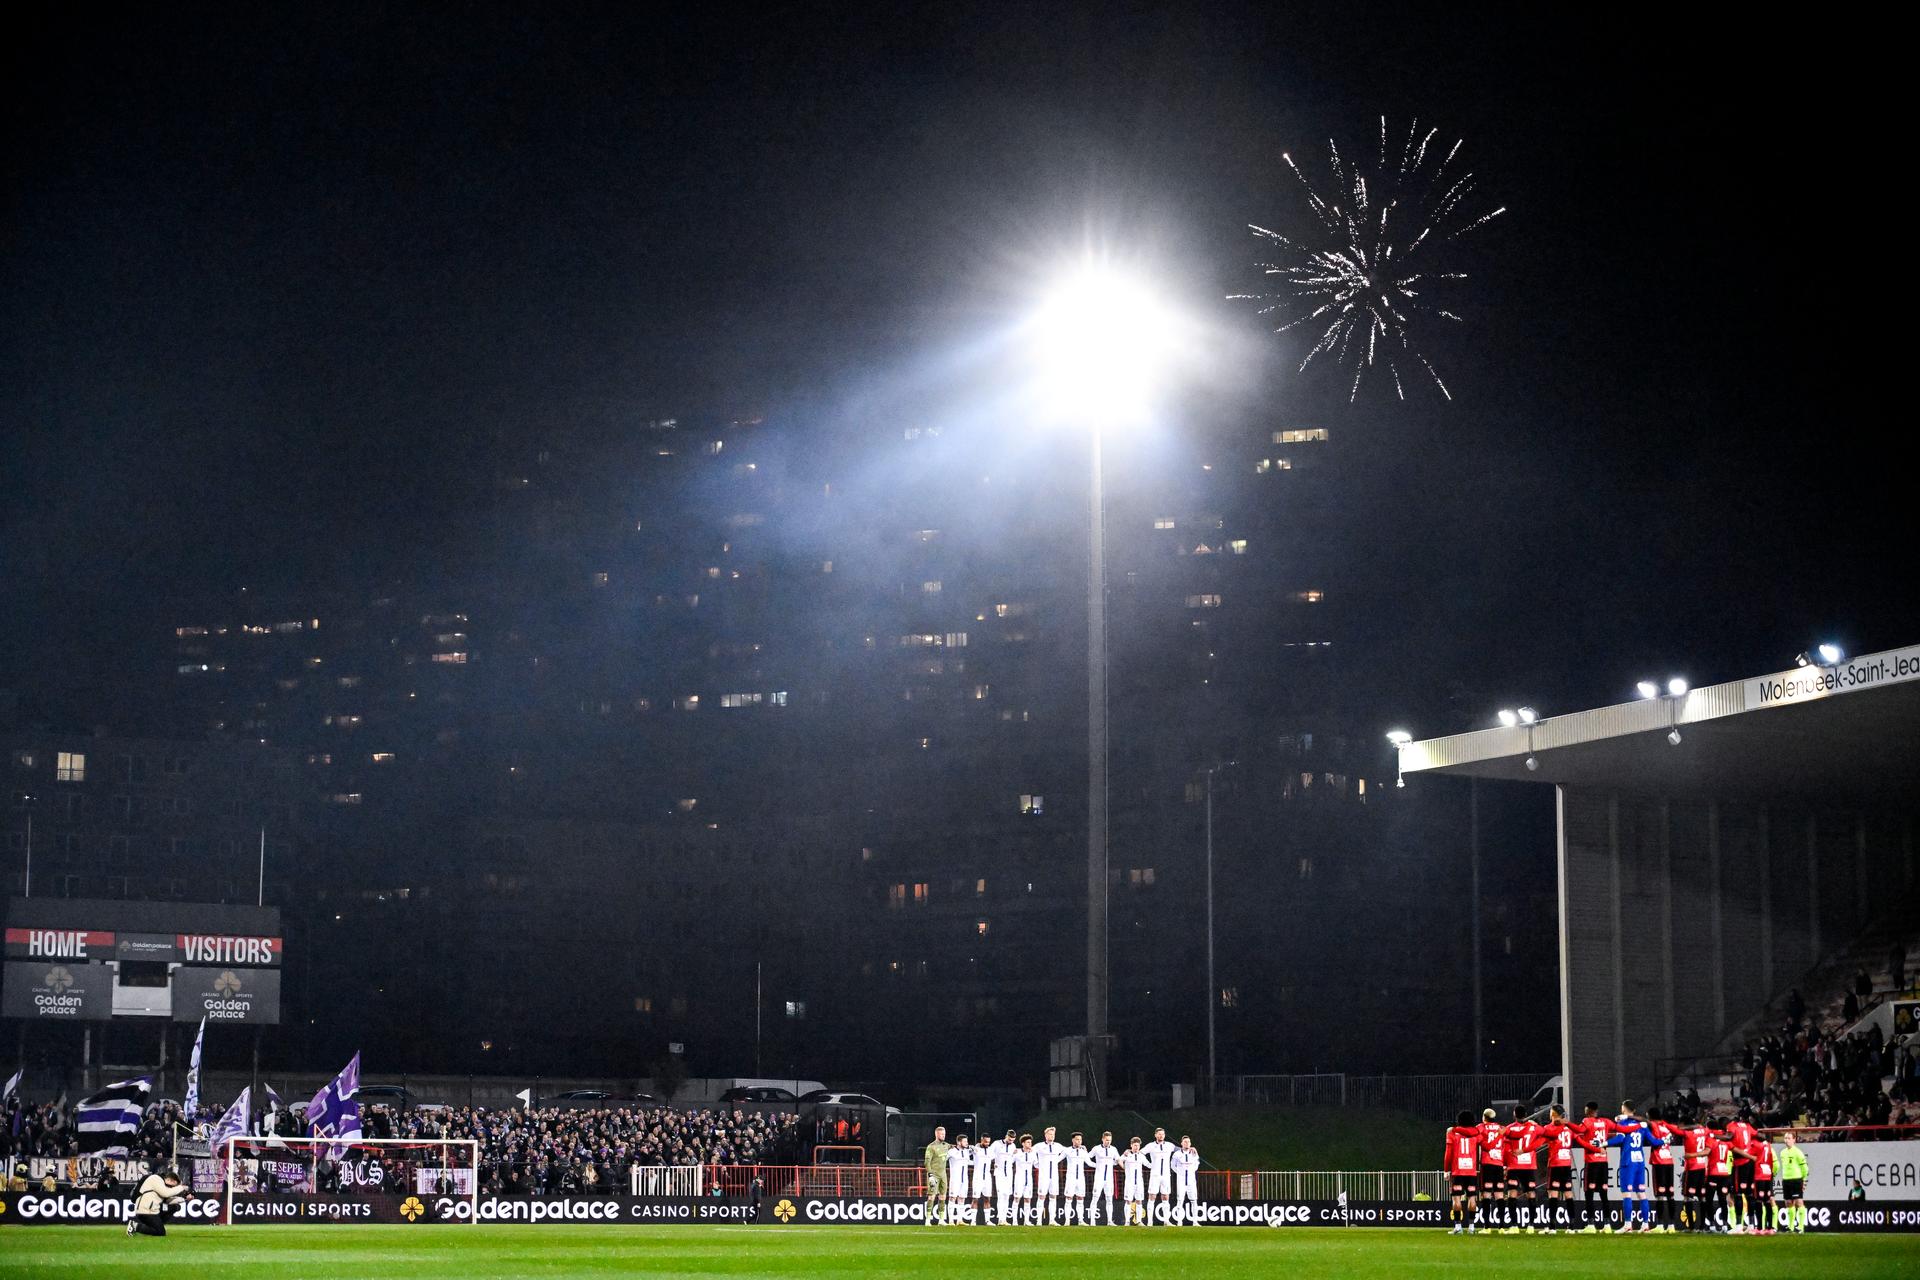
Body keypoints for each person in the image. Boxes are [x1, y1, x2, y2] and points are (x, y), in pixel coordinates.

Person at [1606, 1102, 1663, 1233]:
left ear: (1623, 1110)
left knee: (1627, 1193)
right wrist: (1664, 1141)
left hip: (1628, 1161)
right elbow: (1654, 1142)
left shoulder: (1623, 1124)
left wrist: (1605, 1143)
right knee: (1642, 1193)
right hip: (1639, 1161)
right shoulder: (1642, 1126)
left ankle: (1628, 1225)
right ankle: (1645, 1224)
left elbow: (1619, 1139)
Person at [1501, 1106, 1544, 1233]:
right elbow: (1544, 1134)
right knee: (1531, 1193)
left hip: (1514, 1165)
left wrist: (1504, 1165)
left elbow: (1505, 1148)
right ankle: (1531, 1225)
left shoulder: (1509, 1128)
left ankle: (1514, 1226)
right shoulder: (1533, 1127)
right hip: (1529, 1165)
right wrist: (1535, 1124)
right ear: (1525, 1114)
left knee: (1512, 1193)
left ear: (1514, 1115)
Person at [1442, 1110, 1481, 1235]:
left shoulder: (1452, 1133)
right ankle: (1471, 1227)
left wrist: (1446, 1170)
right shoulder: (1475, 1135)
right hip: (1471, 1171)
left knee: (1456, 1198)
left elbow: (1448, 1154)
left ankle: (1458, 1227)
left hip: (1458, 1171)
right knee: (1472, 1197)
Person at [125, 1165, 190, 1238]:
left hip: (151, 1210)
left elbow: (168, 1200)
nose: (172, 1188)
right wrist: (182, 1187)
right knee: (160, 1232)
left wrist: (185, 1199)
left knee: (174, 1208)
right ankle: (134, 1226)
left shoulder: (161, 1184)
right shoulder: (156, 1178)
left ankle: (144, 1227)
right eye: (173, 1186)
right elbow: (166, 1193)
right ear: (170, 1180)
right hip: (145, 1210)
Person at [1646, 1107, 1678, 1232]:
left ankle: (1659, 1225)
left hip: (1658, 1161)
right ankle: (1671, 1226)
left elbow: (1654, 1142)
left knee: (1660, 1194)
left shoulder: (1653, 1125)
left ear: (1650, 1116)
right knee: (1670, 1194)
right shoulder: (1666, 1126)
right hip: (1669, 1161)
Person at [1475, 1107, 1508, 1229]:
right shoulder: (1501, 1128)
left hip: (1487, 1163)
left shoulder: (1480, 1127)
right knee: (1499, 1195)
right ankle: (1501, 1226)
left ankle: (1487, 1226)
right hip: (1499, 1164)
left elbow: (1483, 1144)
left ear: (1484, 1117)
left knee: (1486, 1195)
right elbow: (1504, 1147)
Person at [1141, 1127, 1176, 1226]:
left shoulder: (1169, 1145)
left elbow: (1179, 1149)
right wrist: (1148, 1164)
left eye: (1163, 1134)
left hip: (1165, 1175)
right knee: (1152, 1196)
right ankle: (1150, 1222)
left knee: (1165, 1196)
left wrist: (1191, 1148)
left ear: (1164, 1135)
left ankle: (1166, 1221)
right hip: (1155, 1175)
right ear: (1155, 1135)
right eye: (1159, 1134)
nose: (1161, 1136)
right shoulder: (1151, 1146)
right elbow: (1140, 1153)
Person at [1777, 1132, 1809, 1234]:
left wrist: (1804, 1180)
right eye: (1785, 1138)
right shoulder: (1782, 1153)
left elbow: (1805, 1168)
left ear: (1794, 1140)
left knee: (1799, 1202)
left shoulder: (1798, 1152)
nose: (1787, 1140)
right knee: (1788, 1203)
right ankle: (1790, 1227)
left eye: (1789, 1138)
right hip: (1786, 1180)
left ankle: (1800, 1227)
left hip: (1796, 1180)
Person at [1032, 1126, 1066, 1224]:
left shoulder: (1058, 1146)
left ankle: (1052, 1220)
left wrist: (1057, 1160)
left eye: (1053, 1134)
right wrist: (1036, 1163)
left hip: (1054, 1176)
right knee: (1041, 1196)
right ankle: (1038, 1220)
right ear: (1045, 1135)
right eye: (1050, 1134)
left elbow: (1067, 1151)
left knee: (1053, 1196)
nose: (1052, 1136)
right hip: (1044, 1176)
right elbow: (1029, 1151)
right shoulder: (1039, 1146)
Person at [1087, 1131, 1119, 1226]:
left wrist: (1114, 1163)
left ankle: (1109, 1221)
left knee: (1109, 1199)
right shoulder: (1096, 1148)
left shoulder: (1113, 1149)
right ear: (1102, 1139)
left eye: (1110, 1140)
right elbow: (1087, 1157)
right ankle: (1092, 1221)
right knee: (1095, 1198)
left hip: (1109, 1179)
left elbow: (1117, 1160)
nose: (1108, 1142)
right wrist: (1095, 1165)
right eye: (1106, 1140)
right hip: (1099, 1178)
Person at [922, 1125, 951, 1225]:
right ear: (936, 1134)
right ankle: (928, 1220)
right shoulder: (931, 1147)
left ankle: (941, 1220)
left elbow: (956, 1147)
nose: (943, 1135)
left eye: (944, 1134)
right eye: (942, 1134)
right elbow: (927, 1162)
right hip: (934, 1175)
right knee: (931, 1197)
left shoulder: (946, 1145)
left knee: (943, 1196)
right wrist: (930, 1175)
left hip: (943, 1175)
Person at [1171, 1135, 1201, 1225]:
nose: (1187, 1143)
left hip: (1191, 1181)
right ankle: (1179, 1221)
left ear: (1190, 1143)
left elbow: (1197, 1164)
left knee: (1194, 1200)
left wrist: (1191, 1171)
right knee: (1180, 1200)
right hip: (1181, 1181)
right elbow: (1172, 1165)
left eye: (1188, 1141)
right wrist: (1180, 1173)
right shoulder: (1177, 1154)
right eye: (1185, 1142)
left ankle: (1195, 1221)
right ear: (1181, 1143)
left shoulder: (1194, 1153)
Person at [1061, 1132, 1090, 1224]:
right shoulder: (1067, 1150)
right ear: (1073, 1140)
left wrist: (1101, 1165)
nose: (1079, 1141)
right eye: (1077, 1139)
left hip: (1081, 1179)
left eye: (1080, 1139)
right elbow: (1058, 1159)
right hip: (1071, 1178)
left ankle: (1081, 1220)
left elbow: (1089, 1163)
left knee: (1080, 1199)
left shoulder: (1083, 1151)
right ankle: (1067, 1221)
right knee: (1069, 1199)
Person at [944, 1133, 971, 1225]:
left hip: (965, 1179)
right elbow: (943, 1160)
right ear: (959, 1142)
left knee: (962, 1198)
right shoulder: (952, 1151)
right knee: (952, 1197)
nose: (967, 1143)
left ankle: (960, 1220)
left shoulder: (967, 1151)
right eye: (965, 1141)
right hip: (955, 1179)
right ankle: (951, 1220)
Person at [1120, 1137, 1146, 1225]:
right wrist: (1123, 1167)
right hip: (1129, 1182)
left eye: (1138, 1145)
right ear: (1131, 1145)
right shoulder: (1127, 1154)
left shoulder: (1141, 1156)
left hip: (1139, 1182)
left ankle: (1139, 1221)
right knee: (1128, 1201)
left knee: (1139, 1201)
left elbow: (1149, 1164)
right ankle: (1127, 1221)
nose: (1136, 1147)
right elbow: (1119, 1160)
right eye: (1135, 1145)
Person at [1013, 1134, 1036, 1225]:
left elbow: (1036, 1164)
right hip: (1019, 1179)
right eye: (1028, 1142)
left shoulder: (1033, 1154)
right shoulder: (1017, 1152)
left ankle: (1026, 1220)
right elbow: (1010, 1161)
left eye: (1030, 1142)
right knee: (1016, 1199)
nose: (1030, 1144)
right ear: (1023, 1143)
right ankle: (1014, 1221)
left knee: (1027, 1199)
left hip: (1029, 1180)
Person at [970, 1133, 994, 1225]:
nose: (987, 1143)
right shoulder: (976, 1149)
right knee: (975, 1199)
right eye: (985, 1141)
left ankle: (987, 1221)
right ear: (981, 1140)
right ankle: (973, 1221)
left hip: (987, 1177)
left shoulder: (991, 1150)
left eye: (988, 1142)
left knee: (987, 1198)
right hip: (978, 1177)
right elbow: (967, 1150)